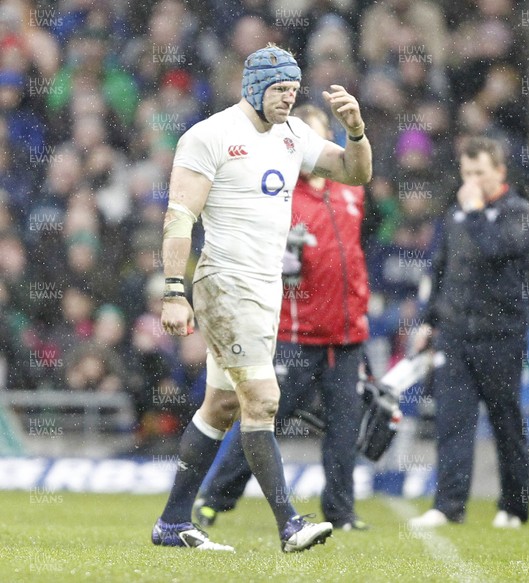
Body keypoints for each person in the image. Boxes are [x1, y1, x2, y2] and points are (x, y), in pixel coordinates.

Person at [151, 44, 372, 552]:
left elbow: (355, 173)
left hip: (265, 288)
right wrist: (173, 291)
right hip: (225, 281)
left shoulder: (293, 134)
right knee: (264, 399)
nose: (286, 101)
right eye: (278, 91)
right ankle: (290, 525)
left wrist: (355, 129)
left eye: (292, 91)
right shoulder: (209, 136)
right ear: (252, 86)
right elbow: (179, 218)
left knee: (222, 404)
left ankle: (172, 522)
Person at [193, 104, 370, 532]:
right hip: (295, 332)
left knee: (344, 427)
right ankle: (214, 499)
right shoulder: (280, 194)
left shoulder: (350, 190)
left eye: (319, 133)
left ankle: (342, 513)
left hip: (347, 335)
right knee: (262, 416)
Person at [409, 136, 529, 529]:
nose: (472, 181)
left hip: (501, 335)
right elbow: (440, 270)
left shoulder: (519, 212)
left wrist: (477, 211)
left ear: (500, 171)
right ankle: (449, 506)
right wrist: (429, 321)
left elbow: (496, 250)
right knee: (452, 422)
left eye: (480, 172)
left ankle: (513, 508)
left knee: (506, 424)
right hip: (455, 335)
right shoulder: (455, 215)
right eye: (467, 173)